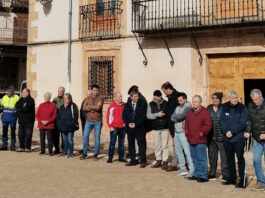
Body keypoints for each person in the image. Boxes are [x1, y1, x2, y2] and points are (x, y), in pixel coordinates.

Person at [220, 90, 247, 188]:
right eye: (233, 98)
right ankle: (232, 178)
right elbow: (221, 120)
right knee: (230, 159)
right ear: (229, 99)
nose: (235, 100)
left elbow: (243, 122)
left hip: (238, 138)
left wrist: (232, 131)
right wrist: (226, 131)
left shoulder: (242, 108)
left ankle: (242, 180)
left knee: (240, 159)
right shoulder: (224, 106)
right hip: (227, 138)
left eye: (236, 98)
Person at [185, 95, 212, 182]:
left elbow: (208, 125)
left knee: (202, 159)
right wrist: (187, 133)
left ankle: (203, 176)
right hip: (191, 139)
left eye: (196, 102)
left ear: (200, 103)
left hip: (200, 140)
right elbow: (186, 123)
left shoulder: (204, 112)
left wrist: (202, 133)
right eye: (193, 101)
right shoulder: (190, 112)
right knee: (194, 158)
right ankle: (197, 174)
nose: (194, 103)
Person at [244, 89, 265, 191]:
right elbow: (249, 120)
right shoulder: (250, 105)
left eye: (256, 99)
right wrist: (248, 130)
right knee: (256, 160)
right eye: (253, 100)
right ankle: (261, 182)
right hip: (256, 138)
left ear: (261, 97)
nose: (255, 101)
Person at [207, 92, 229, 183]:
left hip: (222, 137)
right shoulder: (208, 108)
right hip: (211, 137)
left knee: (224, 157)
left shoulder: (224, 108)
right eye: (213, 98)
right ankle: (212, 173)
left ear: (220, 99)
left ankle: (226, 175)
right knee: (212, 156)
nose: (214, 100)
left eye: (216, 98)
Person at [171, 92, 194, 178]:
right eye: (178, 100)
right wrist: (177, 117)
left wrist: (177, 117)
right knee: (178, 151)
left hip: (183, 132)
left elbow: (181, 117)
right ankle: (183, 169)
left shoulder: (188, 107)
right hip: (176, 132)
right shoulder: (177, 107)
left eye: (181, 100)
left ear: (185, 99)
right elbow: (172, 117)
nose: (179, 102)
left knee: (187, 152)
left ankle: (192, 170)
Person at [123, 91, 147, 168]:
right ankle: (133, 160)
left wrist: (136, 124)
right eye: (135, 96)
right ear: (131, 97)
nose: (137, 98)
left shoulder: (142, 104)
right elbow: (124, 116)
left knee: (141, 145)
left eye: (137, 96)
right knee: (131, 145)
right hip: (130, 129)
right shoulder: (127, 105)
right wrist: (128, 123)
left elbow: (143, 117)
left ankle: (143, 161)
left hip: (139, 128)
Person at [147, 90, 169, 169]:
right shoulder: (150, 104)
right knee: (157, 145)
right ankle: (158, 160)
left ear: (160, 96)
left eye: (157, 98)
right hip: (155, 127)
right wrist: (157, 115)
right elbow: (148, 115)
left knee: (165, 145)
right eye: (154, 98)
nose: (155, 99)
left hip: (165, 127)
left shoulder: (166, 103)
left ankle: (165, 161)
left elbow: (169, 114)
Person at [81, 84, 104, 160]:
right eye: (94, 90)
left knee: (97, 138)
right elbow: (84, 108)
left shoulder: (101, 98)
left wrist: (89, 106)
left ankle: (95, 154)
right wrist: (92, 107)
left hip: (97, 121)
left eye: (97, 90)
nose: (95, 92)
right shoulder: (87, 98)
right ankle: (84, 153)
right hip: (88, 121)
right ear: (92, 90)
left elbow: (98, 107)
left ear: (98, 91)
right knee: (85, 137)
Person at [161, 82, 180, 171]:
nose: (164, 93)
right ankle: (175, 164)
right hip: (172, 125)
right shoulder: (171, 98)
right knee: (176, 145)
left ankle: (175, 164)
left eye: (164, 91)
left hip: (177, 126)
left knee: (179, 146)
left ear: (169, 89)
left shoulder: (176, 97)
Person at [106, 92, 126, 163]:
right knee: (112, 143)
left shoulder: (124, 105)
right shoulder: (111, 106)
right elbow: (109, 117)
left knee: (122, 144)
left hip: (122, 128)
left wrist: (125, 123)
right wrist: (110, 126)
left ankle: (121, 157)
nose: (121, 98)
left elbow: (126, 115)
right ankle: (110, 158)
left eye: (121, 96)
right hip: (114, 128)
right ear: (115, 98)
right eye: (120, 96)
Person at [57, 93, 79, 158]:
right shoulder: (61, 106)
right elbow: (58, 117)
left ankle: (71, 153)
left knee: (70, 140)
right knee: (64, 141)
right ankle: (65, 153)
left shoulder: (73, 106)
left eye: (66, 98)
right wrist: (59, 124)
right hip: (63, 127)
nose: (65, 99)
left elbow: (76, 116)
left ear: (70, 99)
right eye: (64, 98)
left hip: (70, 127)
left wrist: (72, 124)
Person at [0, 86, 19, 151]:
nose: (8, 93)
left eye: (10, 92)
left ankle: (12, 146)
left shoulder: (17, 97)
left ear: (13, 92)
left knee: (12, 132)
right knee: (4, 132)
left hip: (13, 118)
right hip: (5, 118)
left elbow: (18, 107)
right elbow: (2, 107)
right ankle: (4, 146)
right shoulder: (4, 97)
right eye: (7, 91)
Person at [52, 87, 65, 154]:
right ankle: (57, 149)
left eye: (61, 91)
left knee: (63, 135)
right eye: (59, 91)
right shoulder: (55, 99)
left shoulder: (65, 99)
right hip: (56, 120)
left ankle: (63, 149)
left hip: (63, 120)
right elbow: (52, 109)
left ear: (63, 92)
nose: (59, 92)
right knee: (56, 135)